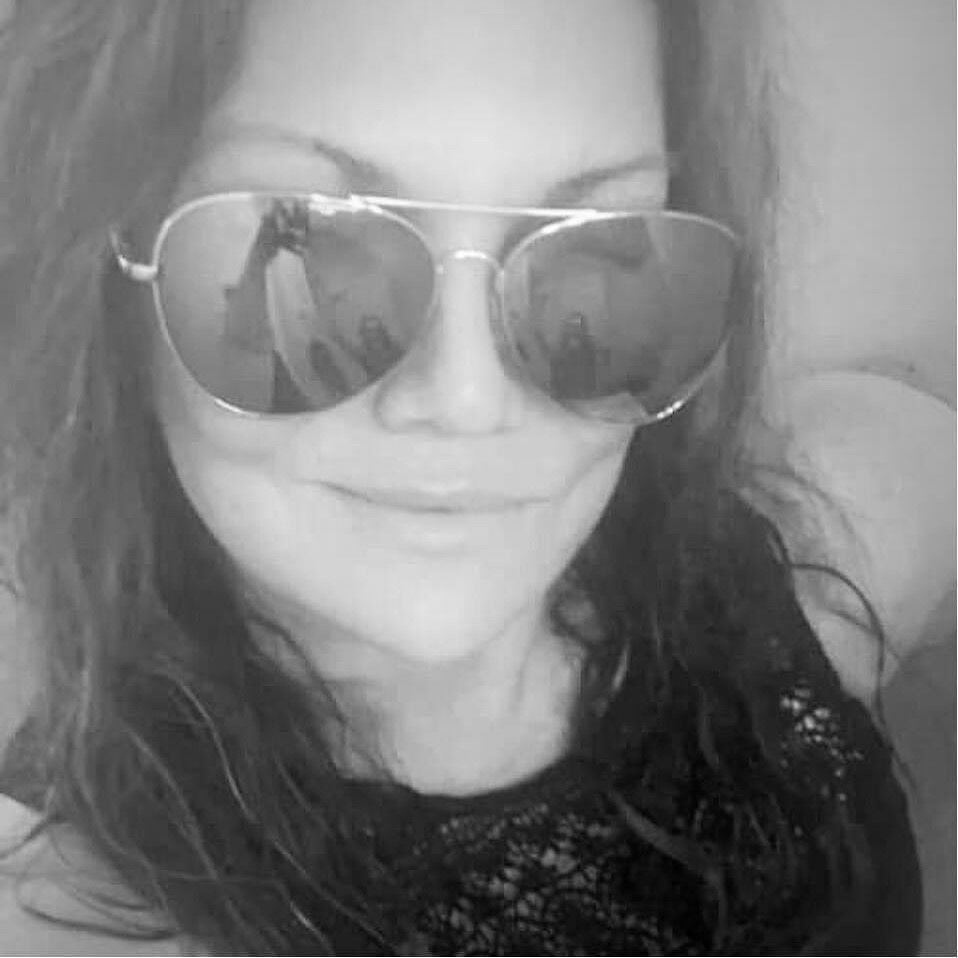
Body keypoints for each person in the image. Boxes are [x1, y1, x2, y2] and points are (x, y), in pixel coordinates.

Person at [0, 1, 949, 953]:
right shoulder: (70, 899)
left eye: (601, 247)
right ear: (106, 282)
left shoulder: (782, 576)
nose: (468, 398)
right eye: (307, 248)